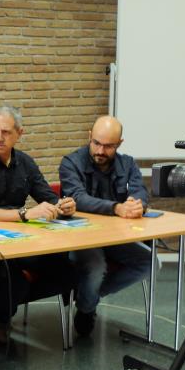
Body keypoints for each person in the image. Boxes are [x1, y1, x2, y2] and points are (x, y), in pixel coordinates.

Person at [0, 105, 77, 343]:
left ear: (19, 134)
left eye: (6, 132)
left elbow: (47, 195)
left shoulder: (25, 163)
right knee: (13, 279)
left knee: (66, 268)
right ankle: (0, 314)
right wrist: (25, 214)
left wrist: (63, 205)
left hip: (23, 240)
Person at [59, 115, 151, 336]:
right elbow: (78, 198)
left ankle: (86, 300)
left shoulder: (127, 163)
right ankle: (87, 306)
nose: (100, 151)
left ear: (119, 144)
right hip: (81, 238)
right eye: (96, 143)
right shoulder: (70, 163)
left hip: (115, 237)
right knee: (96, 267)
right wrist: (117, 208)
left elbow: (140, 192)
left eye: (108, 146)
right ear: (90, 137)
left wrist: (138, 205)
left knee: (149, 262)